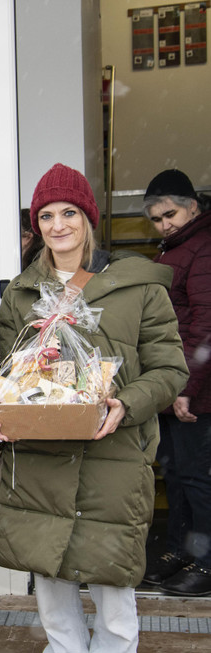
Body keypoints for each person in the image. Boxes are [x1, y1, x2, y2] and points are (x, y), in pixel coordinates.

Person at [0, 164, 188, 653]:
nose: (57, 225)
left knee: (113, 583)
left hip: (113, 457)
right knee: (50, 583)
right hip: (41, 462)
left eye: (68, 213)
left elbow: (171, 370)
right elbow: (4, 373)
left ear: (89, 219)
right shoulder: (20, 295)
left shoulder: (139, 289)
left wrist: (124, 403)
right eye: (45, 216)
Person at [140, 169, 211, 597]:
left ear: (193, 207)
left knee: (197, 479)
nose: (164, 224)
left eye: (171, 214)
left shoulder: (202, 249)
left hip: (195, 390)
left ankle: (204, 564)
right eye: (156, 218)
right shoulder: (174, 250)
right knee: (177, 476)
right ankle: (178, 553)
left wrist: (188, 387)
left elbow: (205, 325)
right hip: (175, 386)